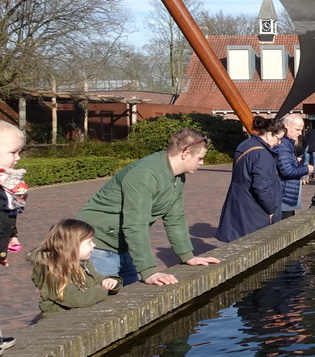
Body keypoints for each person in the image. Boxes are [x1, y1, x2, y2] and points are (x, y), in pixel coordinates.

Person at [76, 128, 220, 286]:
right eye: (200, 157)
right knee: (102, 303)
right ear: (185, 153)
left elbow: (175, 218)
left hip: (123, 246)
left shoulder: (177, 177)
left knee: (130, 300)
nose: (202, 162)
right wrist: (149, 271)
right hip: (98, 246)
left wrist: (188, 256)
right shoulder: (144, 174)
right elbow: (136, 224)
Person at [30, 219, 122, 317]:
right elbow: (77, 299)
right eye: (89, 242)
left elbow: (98, 279)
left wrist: (112, 281)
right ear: (72, 246)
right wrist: (104, 289)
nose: (94, 245)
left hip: (78, 316)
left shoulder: (83, 263)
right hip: (61, 321)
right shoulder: (53, 269)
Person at [216, 117, 286, 242]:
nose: (279, 143)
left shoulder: (245, 144)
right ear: (270, 134)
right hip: (254, 211)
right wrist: (271, 209)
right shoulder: (262, 154)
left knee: (238, 244)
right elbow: (261, 186)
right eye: (279, 138)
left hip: (238, 205)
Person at [276, 114, 315, 219]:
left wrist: (294, 161)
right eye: (297, 129)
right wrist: (307, 169)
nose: (300, 133)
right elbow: (287, 171)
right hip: (284, 195)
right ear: (286, 126)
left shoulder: (287, 143)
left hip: (287, 193)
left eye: (301, 130)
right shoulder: (282, 145)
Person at [0, 121, 27, 269]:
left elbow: (6, 214)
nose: (18, 158)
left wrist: (11, 236)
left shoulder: (6, 183)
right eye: (13, 152)